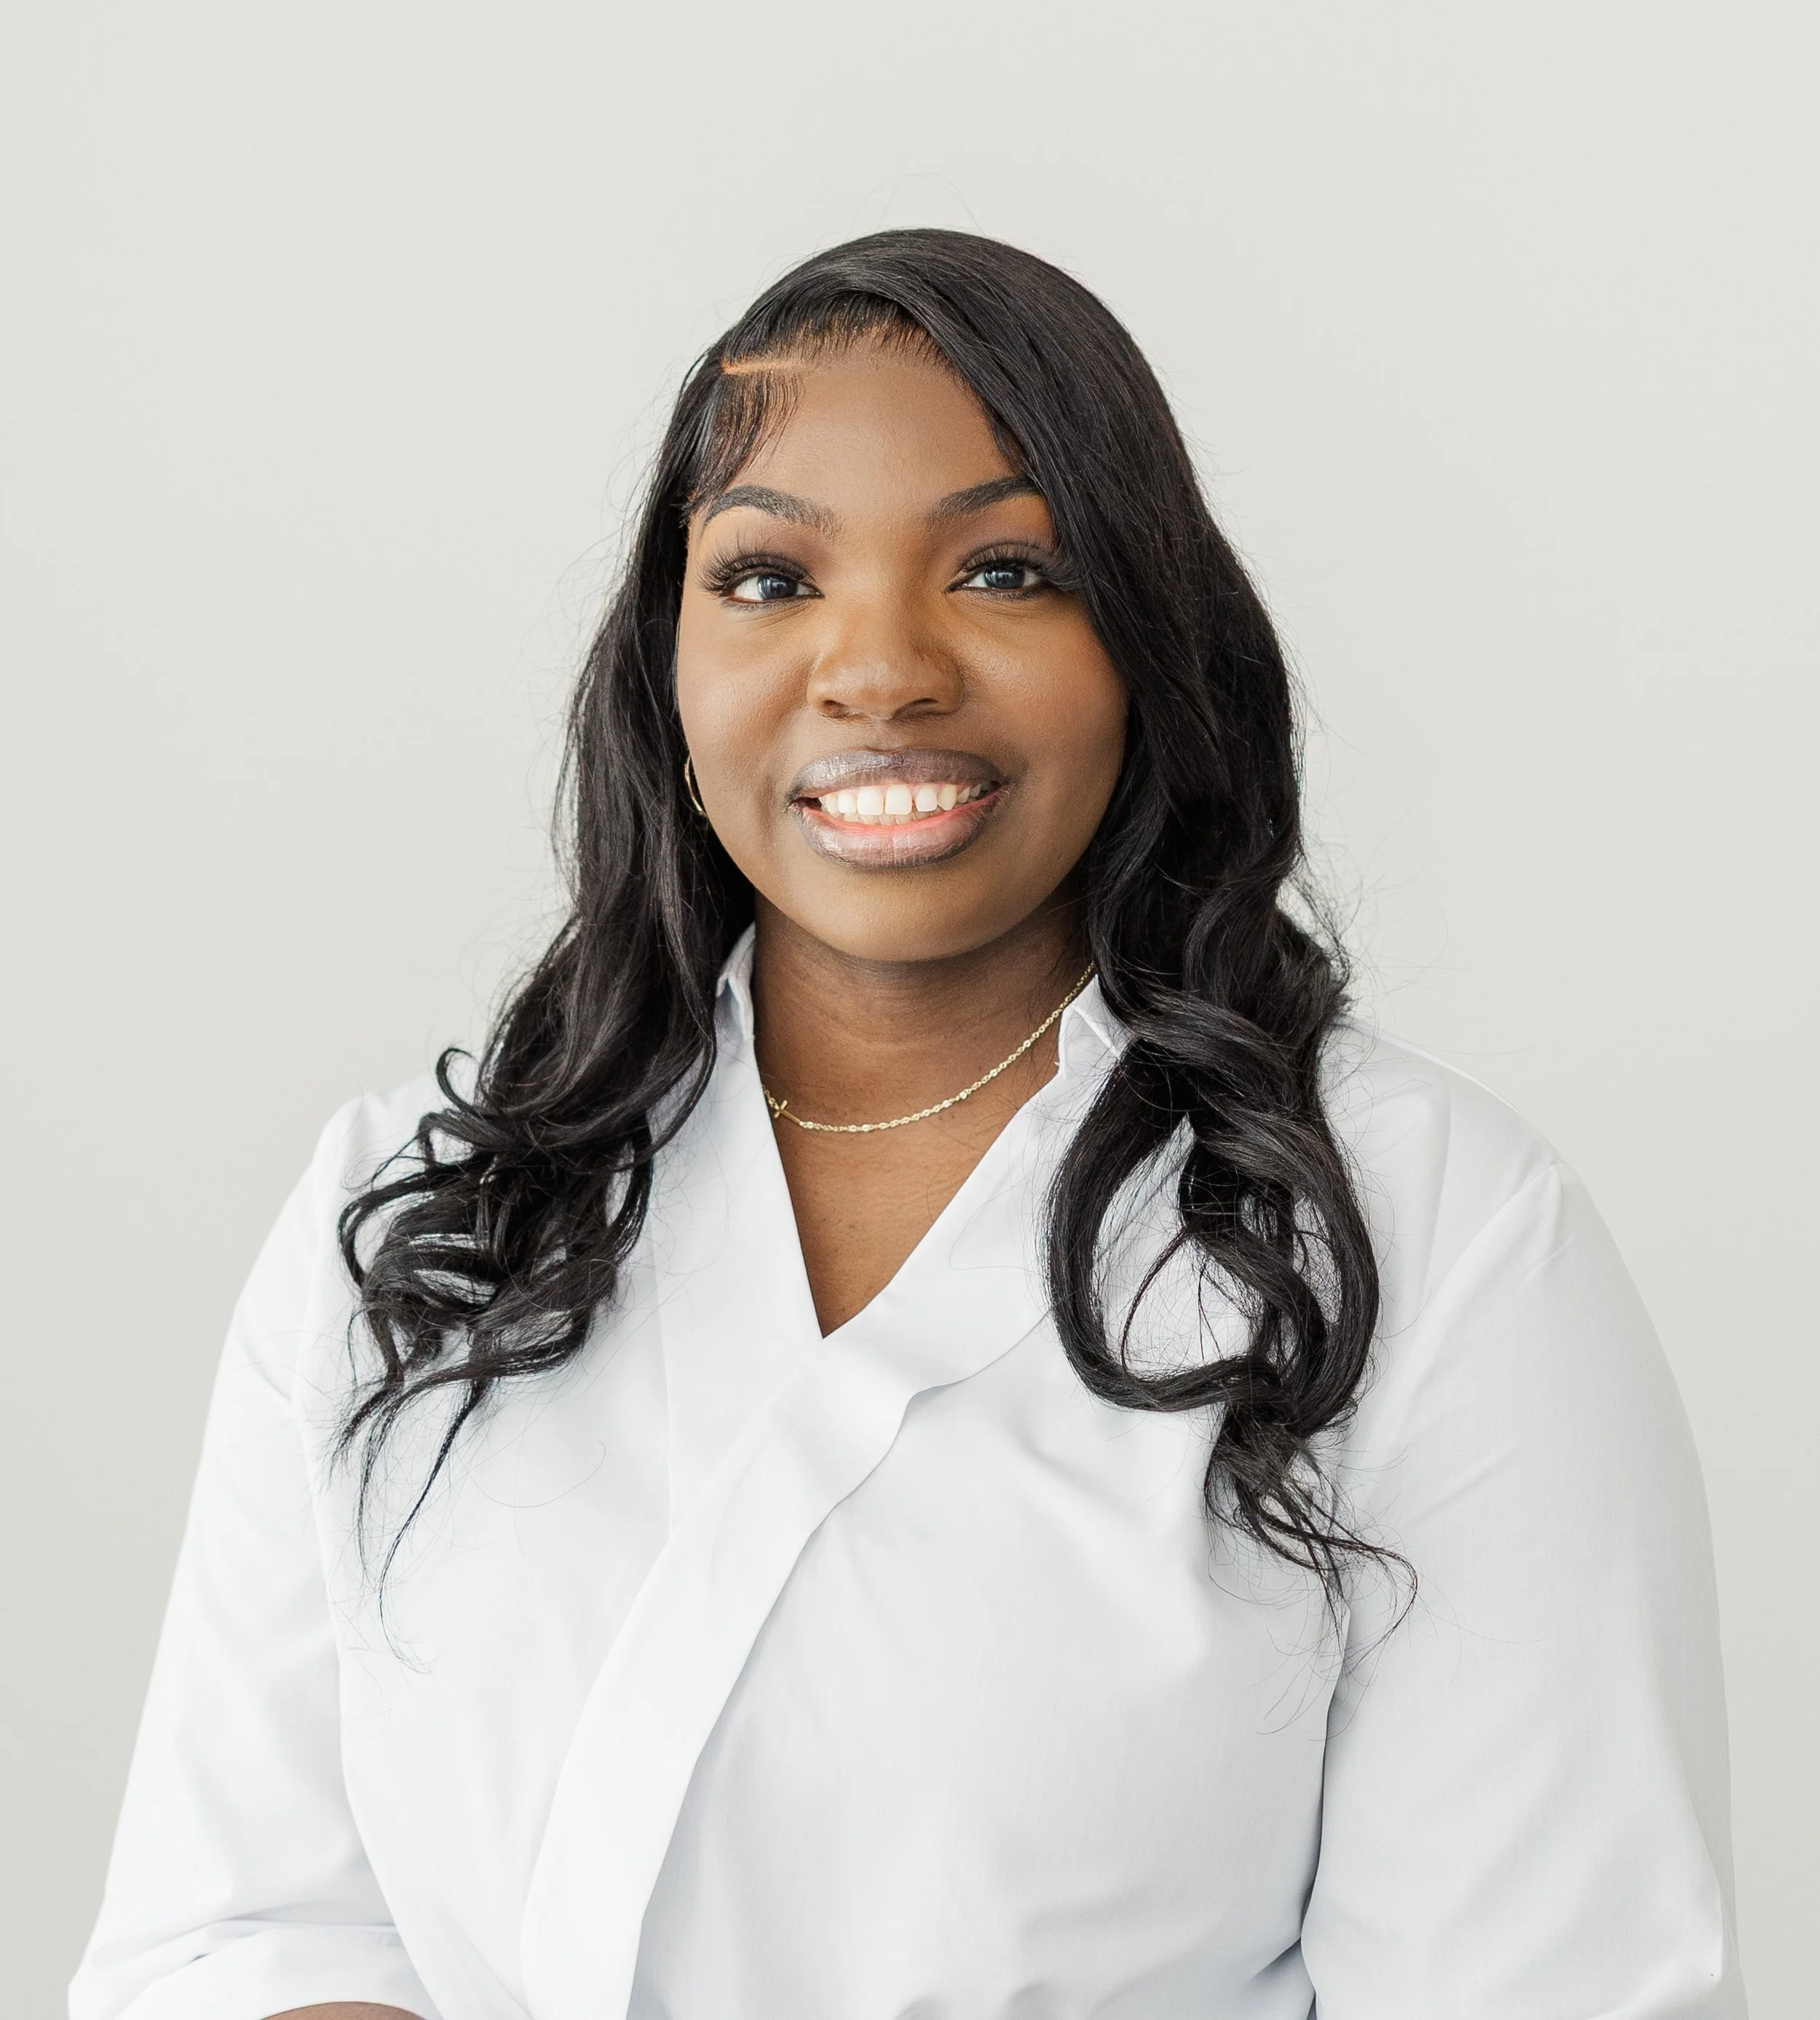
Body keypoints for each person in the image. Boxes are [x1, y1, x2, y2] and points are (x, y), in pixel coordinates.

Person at [71, 230, 1743, 2020]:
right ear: (665, 665)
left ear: (1145, 642)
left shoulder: (1424, 1233)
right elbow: (235, 1940)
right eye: (769, 576)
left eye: (1005, 570)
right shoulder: (422, 1205)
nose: (877, 671)